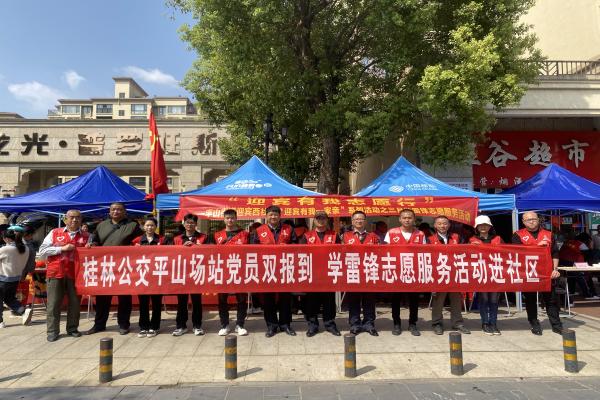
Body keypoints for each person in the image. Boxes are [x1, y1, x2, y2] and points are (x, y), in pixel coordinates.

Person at [85, 202, 143, 335]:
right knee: (102, 298)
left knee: (124, 297)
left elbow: (141, 241)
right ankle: (99, 324)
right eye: (113, 209)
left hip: (124, 266)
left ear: (124, 212)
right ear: (109, 211)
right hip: (106, 266)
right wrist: (92, 245)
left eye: (119, 209)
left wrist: (137, 246)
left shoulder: (133, 225)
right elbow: (95, 240)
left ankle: (124, 324)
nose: (116, 212)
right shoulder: (101, 225)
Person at [37, 210, 89, 341]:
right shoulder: (55, 232)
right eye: (72, 217)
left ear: (81, 220)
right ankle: (52, 331)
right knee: (54, 303)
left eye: (78, 217)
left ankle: (72, 328)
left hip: (76, 274)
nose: (75, 220)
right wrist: (61, 249)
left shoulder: (87, 236)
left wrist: (90, 248)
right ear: (65, 219)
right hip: (56, 272)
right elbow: (42, 251)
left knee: (75, 303)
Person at [512, 211, 564, 335]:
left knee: (551, 300)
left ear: (538, 220)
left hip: (547, 272)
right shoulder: (518, 235)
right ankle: (534, 324)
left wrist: (555, 269)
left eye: (534, 219)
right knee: (530, 299)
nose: (531, 221)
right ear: (523, 222)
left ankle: (556, 325)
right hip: (528, 272)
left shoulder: (548, 234)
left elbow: (555, 253)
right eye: (528, 220)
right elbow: (517, 252)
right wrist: (536, 246)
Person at [251, 205, 297, 337]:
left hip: (285, 267)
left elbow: (296, 245)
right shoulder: (259, 230)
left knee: (285, 298)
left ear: (280, 216)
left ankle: (285, 324)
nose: (273, 217)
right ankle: (271, 326)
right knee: (268, 298)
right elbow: (253, 249)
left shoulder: (288, 229)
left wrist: (287, 247)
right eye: (271, 214)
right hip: (267, 268)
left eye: (276, 214)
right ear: (266, 216)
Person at [383, 209, 426, 336]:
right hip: (396, 271)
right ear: (400, 219)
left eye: (409, 217)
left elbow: (425, 252)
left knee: (414, 299)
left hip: (414, 271)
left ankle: (413, 323)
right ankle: (396, 323)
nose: (407, 220)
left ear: (414, 219)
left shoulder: (420, 234)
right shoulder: (391, 233)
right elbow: (385, 252)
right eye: (404, 217)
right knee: (396, 299)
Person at [300, 210, 341, 337]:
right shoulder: (307, 236)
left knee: (329, 301)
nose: (321, 220)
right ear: (314, 220)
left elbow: (340, 253)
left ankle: (330, 324)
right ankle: (312, 325)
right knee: (312, 301)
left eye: (323, 218)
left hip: (329, 273)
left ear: (327, 220)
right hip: (313, 274)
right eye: (318, 218)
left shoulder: (334, 235)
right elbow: (301, 254)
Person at [429, 215, 470, 335]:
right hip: (438, 273)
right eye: (439, 223)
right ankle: (437, 323)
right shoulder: (430, 239)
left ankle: (458, 323)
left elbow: (465, 251)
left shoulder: (457, 237)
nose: (442, 226)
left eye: (445, 223)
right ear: (435, 225)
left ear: (449, 225)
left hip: (454, 273)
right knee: (438, 300)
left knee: (456, 299)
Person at [342, 210, 380, 336]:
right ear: (352, 221)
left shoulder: (374, 236)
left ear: (365, 221)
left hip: (369, 271)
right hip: (352, 271)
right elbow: (340, 253)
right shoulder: (345, 236)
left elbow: (380, 253)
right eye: (356, 219)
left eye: (361, 219)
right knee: (353, 299)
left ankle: (369, 324)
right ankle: (355, 324)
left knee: (369, 299)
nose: (359, 221)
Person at [171, 213, 209, 336]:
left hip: (197, 273)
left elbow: (210, 252)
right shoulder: (177, 239)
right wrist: (182, 248)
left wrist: (198, 247)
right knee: (181, 301)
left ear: (196, 224)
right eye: (187, 222)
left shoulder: (204, 237)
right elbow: (170, 254)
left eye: (192, 223)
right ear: (184, 224)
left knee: (196, 301)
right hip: (181, 273)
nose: (190, 225)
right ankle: (181, 326)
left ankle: (197, 326)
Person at [214, 209, 250, 336]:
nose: (230, 220)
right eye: (227, 218)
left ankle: (240, 325)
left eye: (232, 218)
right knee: (222, 299)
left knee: (241, 299)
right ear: (224, 219)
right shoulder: (217, 235)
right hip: (223, 271)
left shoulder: (245, 234)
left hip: (240, 270)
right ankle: (224, 325)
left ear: (236, 218)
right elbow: (210, 252)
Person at [469, 215, 503, 335]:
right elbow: (466, 256)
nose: (483, 227)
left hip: (495, 272)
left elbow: (507, 253)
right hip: (481, 273)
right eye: (480, 225)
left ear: (490, 226)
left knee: (494, 300)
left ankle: (493, 323)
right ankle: (484, 323)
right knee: (484, 299)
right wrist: (471, 249)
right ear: (476, 227)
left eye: (486, 225)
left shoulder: (498, 239)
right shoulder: (472, 240)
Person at [131, 216, 164, 338]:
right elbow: (130, 257)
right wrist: (134, 250)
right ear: (143, 227)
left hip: (157, 275)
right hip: (142, 275)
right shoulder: (136, 241)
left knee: (156, 303)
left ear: (156, 227)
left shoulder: (162, 240)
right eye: (147, 225)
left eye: (152, 225)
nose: (150, 227)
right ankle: (143, 326)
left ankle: (154, 326)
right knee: (143, 303)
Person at [0, 227, 31, 329]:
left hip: (3, 278)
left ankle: (0, 322)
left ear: (7, 239)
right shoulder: (25, 249)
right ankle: (23, 311)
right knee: (9, 299)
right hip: (15, 278)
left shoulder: (6, 249)